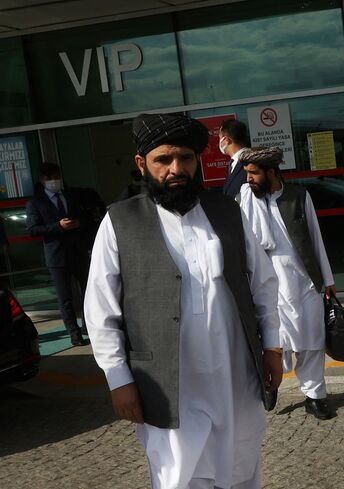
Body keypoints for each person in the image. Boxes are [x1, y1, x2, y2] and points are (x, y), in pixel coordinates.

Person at [84, 113, 283, 489]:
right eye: (164, 160)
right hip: (168, 384)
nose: (176, 169)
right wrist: (118, 378)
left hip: (234, 375)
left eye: (186, 159)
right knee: (178, 475)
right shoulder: (119, 221)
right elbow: (101, 310)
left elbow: (264, 284)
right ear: (142, 163)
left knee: (240, 469)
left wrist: (272, 346)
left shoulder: (226, 212)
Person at [238, 146, 338, 420]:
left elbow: (315, 237)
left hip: (303, 279)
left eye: (254, 173)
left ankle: (315, 397)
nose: (249, 179)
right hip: (267, 282)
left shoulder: (298, 196)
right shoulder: (246, 199)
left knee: (311, 341)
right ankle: (271, 385)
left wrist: (326, 279)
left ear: (271, 172)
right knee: (275, 341)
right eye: (246, 173)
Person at [26, 162, 104, 347]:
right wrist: (57, 226)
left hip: (78, 251)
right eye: (49, 178)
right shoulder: (35, 203)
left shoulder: (71, 195)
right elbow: (32, 229)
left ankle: (89, 326)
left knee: (89, 291)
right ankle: (74, 333)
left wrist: (79, 223)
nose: (54, 181)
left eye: (56, 177)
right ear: (42, 180)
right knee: (65, 298)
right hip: (57, 256)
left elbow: (87, 218)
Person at [219, 119, 252, 199]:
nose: (219, 142)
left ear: (226, 140)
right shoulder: (233, 164)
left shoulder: (252, 161)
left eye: (220, 138)